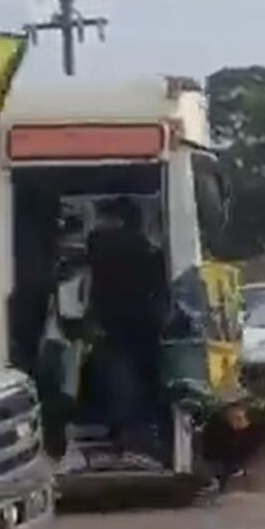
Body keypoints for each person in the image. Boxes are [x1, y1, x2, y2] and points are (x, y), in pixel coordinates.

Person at [86, 196, 166, 468]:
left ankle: (127, 437)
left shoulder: (102, 246)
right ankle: (135, 439)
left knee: (121, 382)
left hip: (117, 326)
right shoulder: (146, 251)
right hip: (142, 325)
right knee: (136, 383)